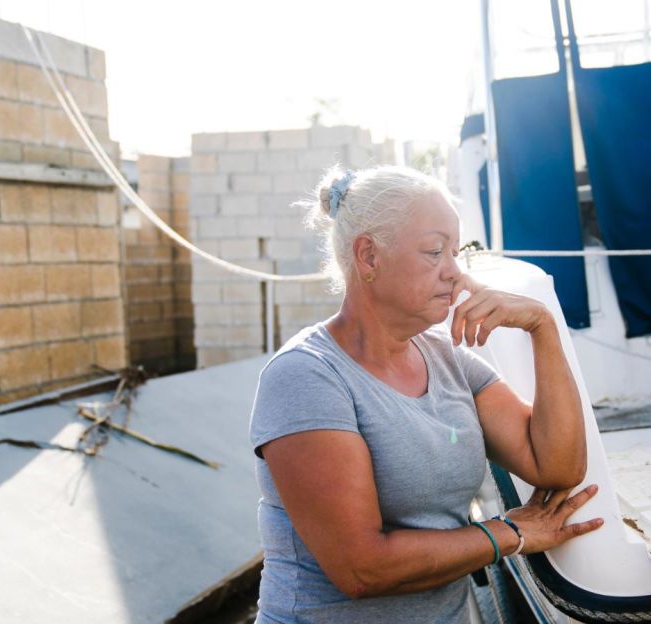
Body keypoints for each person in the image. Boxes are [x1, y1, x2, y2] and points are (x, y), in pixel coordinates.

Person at [249, 165, 602, 623]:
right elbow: (362, 568)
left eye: (456, 253)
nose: (455, 273)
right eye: (435, 252)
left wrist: (542, 326)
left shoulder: (448, 360)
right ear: (369, 257)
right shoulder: (306, 378)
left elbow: (557, 465)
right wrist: (506, 534)